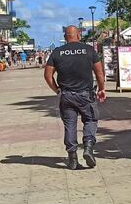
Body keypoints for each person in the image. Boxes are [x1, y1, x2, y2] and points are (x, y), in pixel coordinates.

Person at [44, 26, 106, 170]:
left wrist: (57, 90)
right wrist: (102, 88)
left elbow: (47, 75)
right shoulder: (89, 50)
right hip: (86, 95)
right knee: (90, 120)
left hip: (66, 95)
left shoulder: (57, 52)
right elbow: (99, 73)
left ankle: (72, 159)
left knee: (70, 125)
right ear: (78, 35)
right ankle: (88, 147)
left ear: (65, 37)